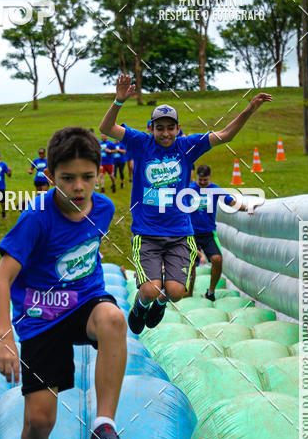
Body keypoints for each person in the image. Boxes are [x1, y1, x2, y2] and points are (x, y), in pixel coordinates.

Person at [0, 126, 133, 439]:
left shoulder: (104, 208)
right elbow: (0, 281)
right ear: (50, 176)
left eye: (87, 177)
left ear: (100, 174)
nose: (78, 187)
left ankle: (103, 429)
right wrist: (5, 338)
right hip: (41, 316)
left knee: (114, 320)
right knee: (40, 421)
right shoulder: (36, 218)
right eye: (67, 178)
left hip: (85, 303)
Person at [99, 73, 272, 335]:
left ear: (178, 129)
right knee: (148, 288)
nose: (165, 133)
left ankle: (159, 304)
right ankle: (141, 306)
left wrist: (249, 109)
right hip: (147, 233)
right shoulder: (141, 144)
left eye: (170, 127)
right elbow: (106, 128)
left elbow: (225, 135)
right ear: (151, 129)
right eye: (160, 128)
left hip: (180, 233)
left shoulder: (187, 147)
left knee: (176, 292)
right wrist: (119, 101)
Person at [187, 165, 261, 299]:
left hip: (208, 232)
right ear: (196, 177)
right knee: (191, 263)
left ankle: (210, 292)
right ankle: (189, 292)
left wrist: (247, 208)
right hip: (190, 233)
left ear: (210, 178)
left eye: (205, 180)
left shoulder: (215, 190)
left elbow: (232, 203)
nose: (203, 183)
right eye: (200, 180)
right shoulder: (188, 189)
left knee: (217, 259)